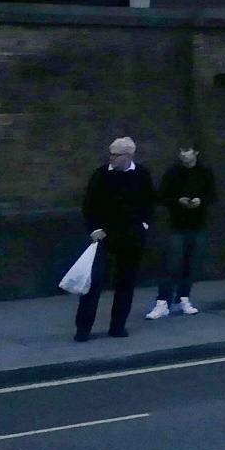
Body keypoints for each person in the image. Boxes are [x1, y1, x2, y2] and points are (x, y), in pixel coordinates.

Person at [77, 137, 153, 342]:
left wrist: (144, 225)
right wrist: (94, 229)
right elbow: (89, 204)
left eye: (116, 155)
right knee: (93, 283)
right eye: (110, 154)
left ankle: (118, 326)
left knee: (125, 283)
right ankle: (83, 329)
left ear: (128, 156)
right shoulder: (101, 175)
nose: (111, 158)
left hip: (131, 236)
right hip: (104, 236)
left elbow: (149, 202)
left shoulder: (142, 174)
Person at [147, 142, 212, 320]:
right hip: (176, 224)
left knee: (191, 264)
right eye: (181, 151)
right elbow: (161, 196)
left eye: (187, 151)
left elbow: (212, 194)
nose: (183, 154)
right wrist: (178, 200)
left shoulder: (204, 172)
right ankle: (162, 301)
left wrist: (200, 200)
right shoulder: (173, 172)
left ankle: (183, 298)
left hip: (198, 224)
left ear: (196, 152)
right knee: (171, 264)